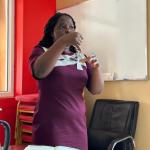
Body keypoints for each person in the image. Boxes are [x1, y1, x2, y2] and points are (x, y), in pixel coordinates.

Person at [29, 12, 104, 150]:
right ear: (52, 32)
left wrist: (95, 69)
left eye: (71, 27)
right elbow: (39, 72)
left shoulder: (80, 56)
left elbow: (96, 90)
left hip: (77, 128)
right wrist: (63, 42)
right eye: (62, 27)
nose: (68, 30)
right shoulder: (42, 51)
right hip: (51, 127)